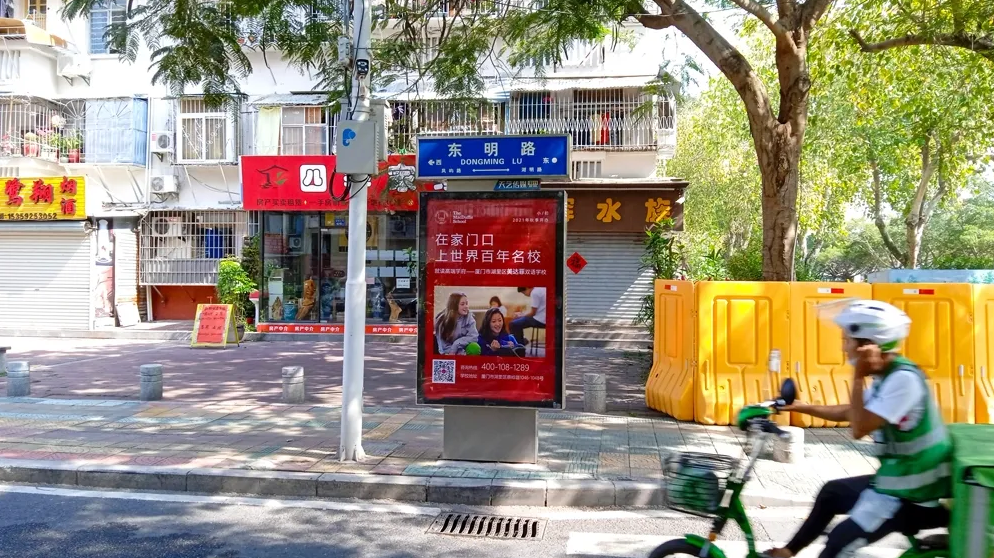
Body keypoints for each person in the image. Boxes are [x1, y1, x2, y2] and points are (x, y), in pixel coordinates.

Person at [764, 300, 952, 558]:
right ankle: (788, 551)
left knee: (837, 545)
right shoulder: (888, 376)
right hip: (896, 482)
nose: (844, 347)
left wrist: (858, 376)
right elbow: (852, 412)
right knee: (831, 493)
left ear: (867, 345)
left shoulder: (903, 380)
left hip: (915, 496)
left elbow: (859, 427)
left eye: (847, 340)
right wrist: (802, 407)